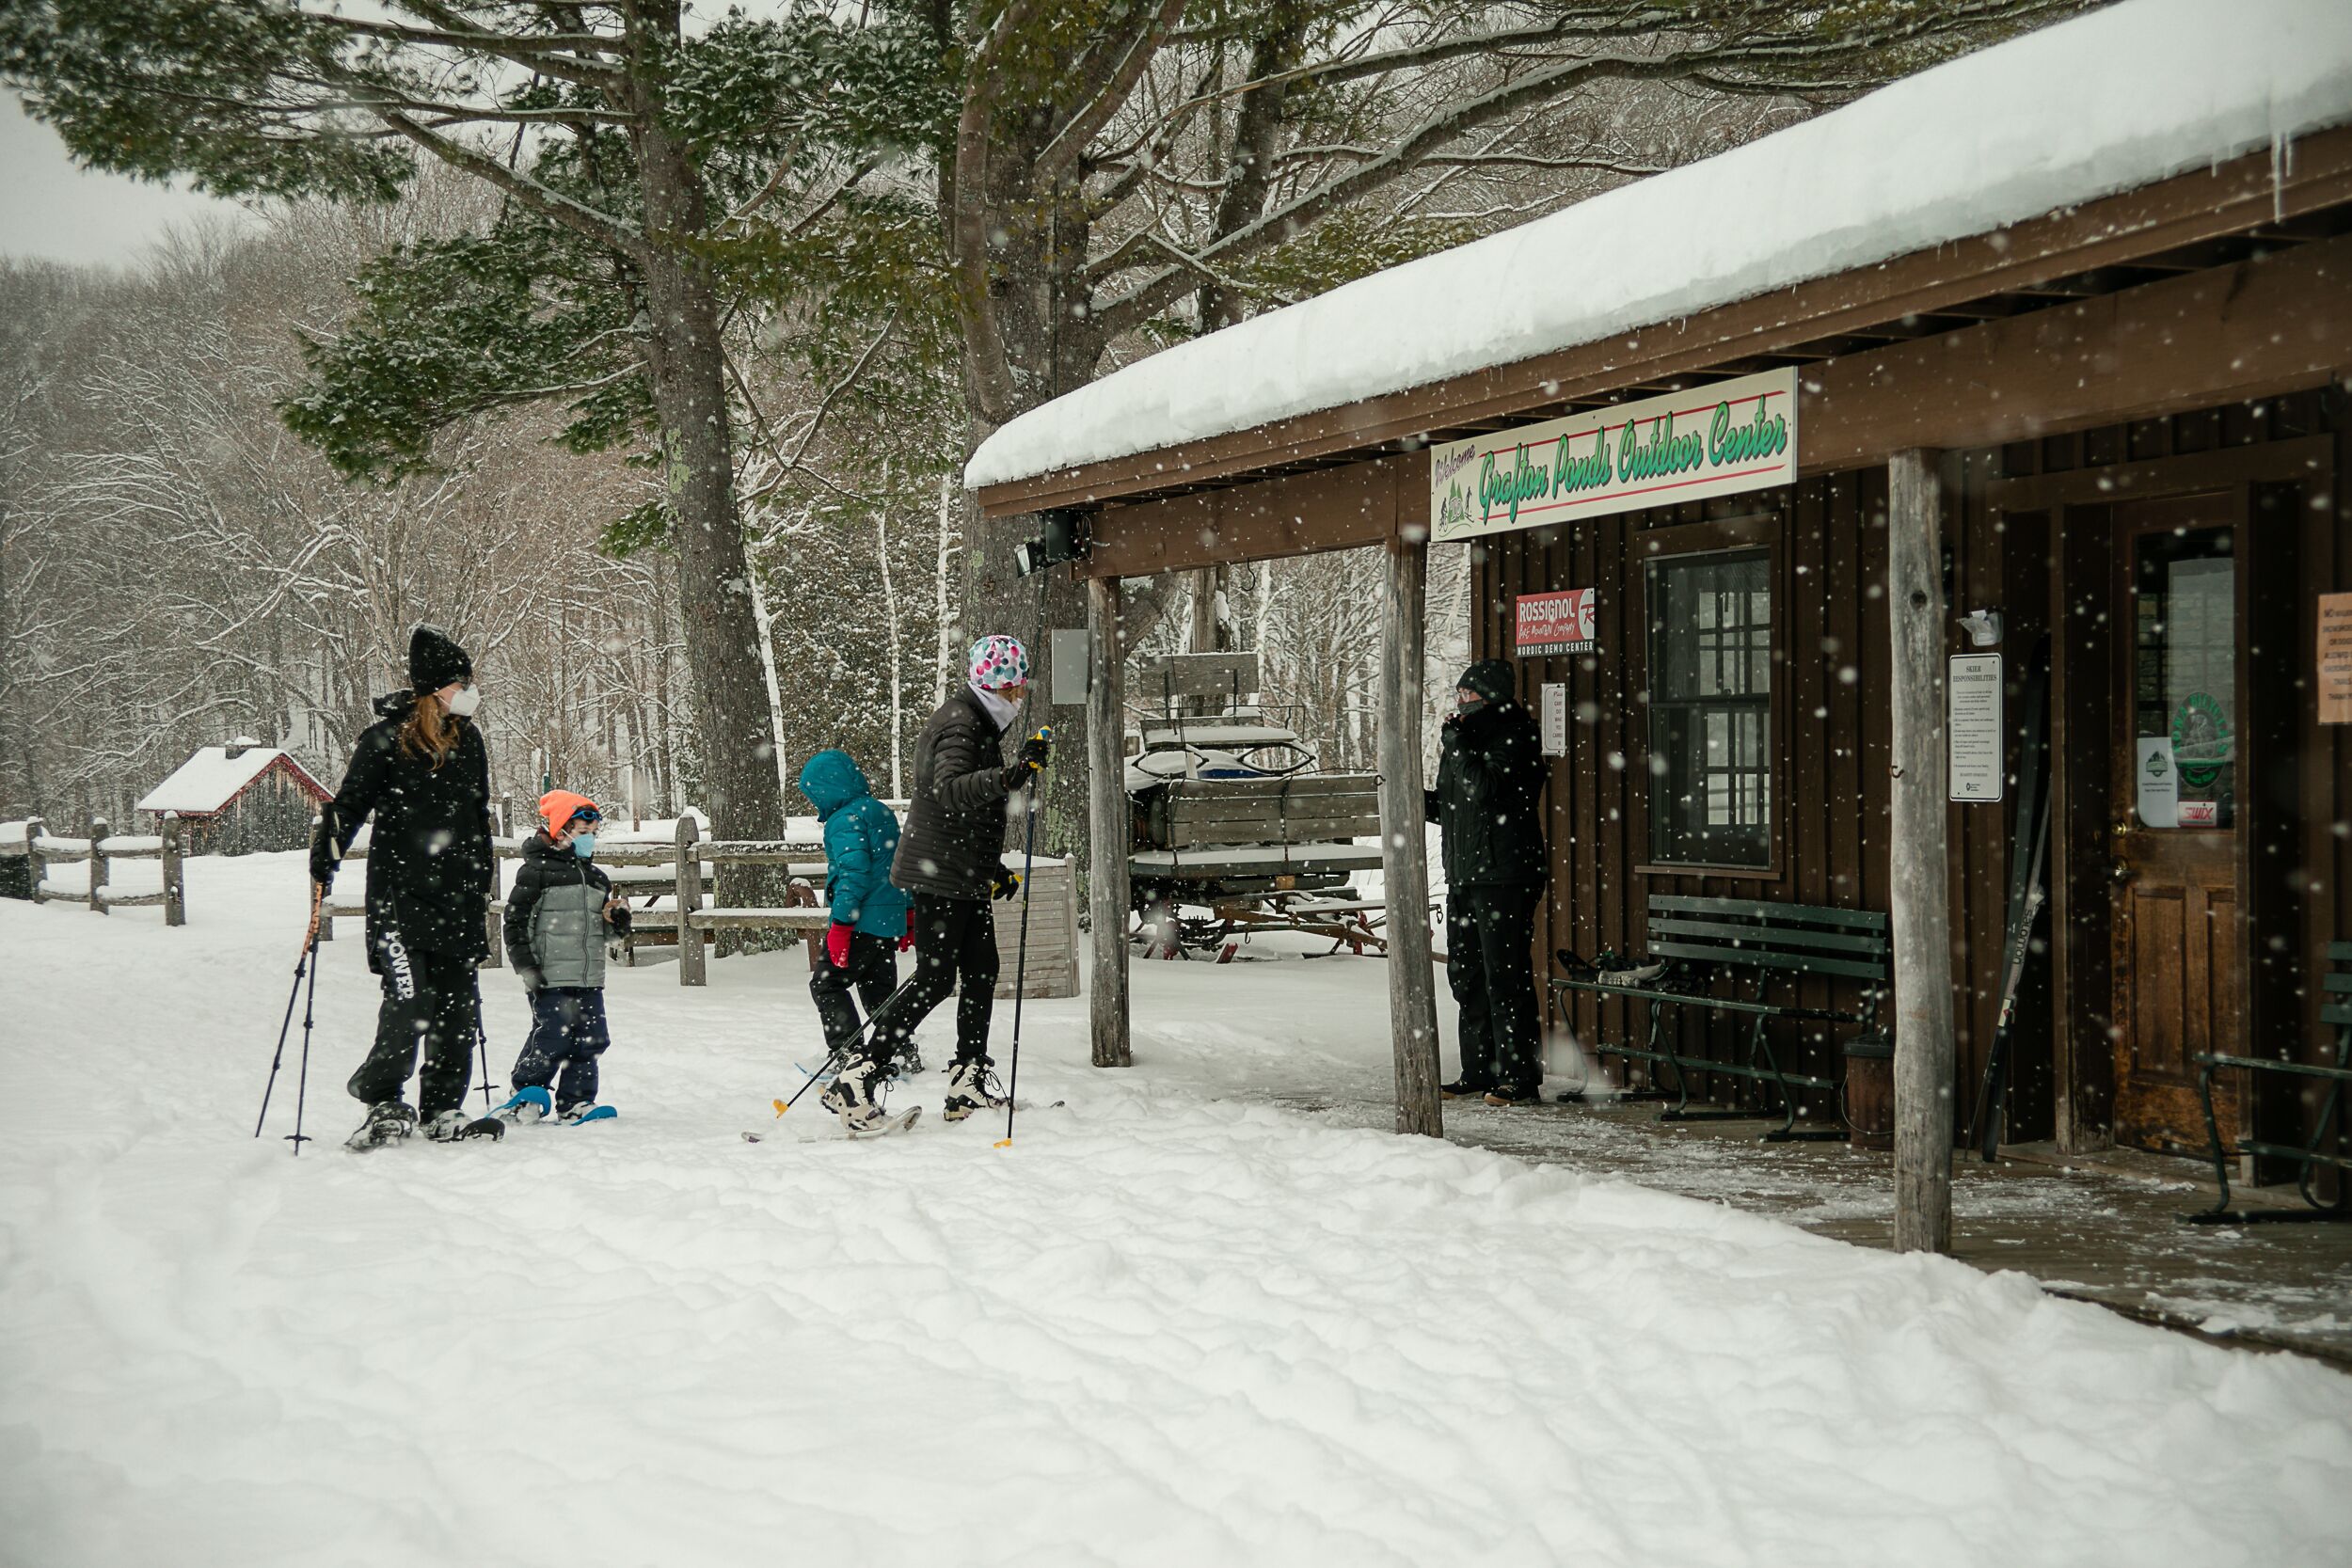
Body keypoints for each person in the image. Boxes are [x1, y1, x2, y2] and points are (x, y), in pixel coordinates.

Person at [825, 634, 1049, 1132]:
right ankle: (859, 1077)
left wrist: (993, 872)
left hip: (960, 873)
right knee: (933, 979)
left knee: (981, 969)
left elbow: (958, 814)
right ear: (999, 686)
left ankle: (967, 1079)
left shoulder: (975, 721)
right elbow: (949, 792)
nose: (1020, 699)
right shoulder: (961, 722)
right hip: (940, 877)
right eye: (1016, 689)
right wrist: (1011, 776)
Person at [310, 624, 498, 1148]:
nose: (468, 690)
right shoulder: (384, 741)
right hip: (401, 897)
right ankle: (382, 1095)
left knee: (458, 1009)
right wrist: (326, 852)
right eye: (460, 682)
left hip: (458, 899)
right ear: (435, 687)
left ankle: (443, 1105)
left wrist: (480, 874)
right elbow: (349, 804)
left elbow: (476, 814)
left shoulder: (469, 740)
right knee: (409, 1002)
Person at [1424, 658, 1549, 1106]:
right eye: (1458, 695)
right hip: (1465, 874)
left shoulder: (1514, 734)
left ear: (1489, 697)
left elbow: (1486, 790)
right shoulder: (1465, 742)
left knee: (1506, 977)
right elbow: (1456, 807)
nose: (1459, 704)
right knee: (1468, 975)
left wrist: (1457, 745)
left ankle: (1519, 1077)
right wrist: (1418, 801)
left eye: (1467, 695)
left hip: (1505, 875)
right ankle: (1479, 1070)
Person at [497, 790, 629, 1125]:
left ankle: (576, 1102)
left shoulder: (598, 877)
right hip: (550, 974)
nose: (589, 839)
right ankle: (526, 1093)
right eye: (583, 833)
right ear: (561, 830)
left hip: (588, 977)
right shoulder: (536, 871)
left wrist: (619, 925)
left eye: (593, 833)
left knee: (591, 1039)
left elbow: (604, 933)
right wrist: (526, 965)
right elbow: (515, 923)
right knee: (552, 1034)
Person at [795, 748, 913, 1065]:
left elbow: (853, 876)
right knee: (878, 992)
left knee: (826, 983)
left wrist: (841, 926)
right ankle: (900, 1050)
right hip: (886, 922)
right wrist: (908, 913)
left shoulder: (843, 820)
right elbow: (901, 864)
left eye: (814, 794)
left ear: (827, 788)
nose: (814, 802)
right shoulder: (880, 811)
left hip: (859, 921)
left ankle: (849, 1053)